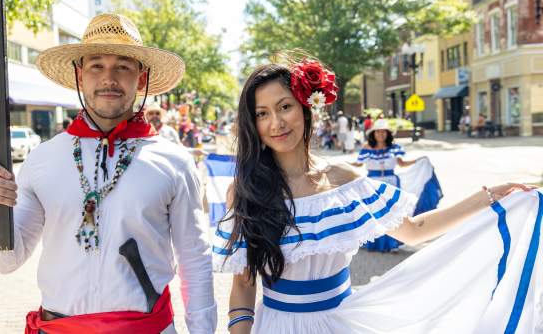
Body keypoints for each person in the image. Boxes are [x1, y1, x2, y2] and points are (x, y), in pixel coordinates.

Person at [211, 61, 538, 334]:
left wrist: (489, 197)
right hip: (277, 326)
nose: (276, 122)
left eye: (284, 107)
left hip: (343, 321)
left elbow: (414, 230)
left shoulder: (345, 180)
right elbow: (243, 285)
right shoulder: (245, 192)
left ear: (306, 108)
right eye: (262, 113)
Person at [0, 14, 216, 333]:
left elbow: (195, 257)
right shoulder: (43, 159)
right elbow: (7, 261)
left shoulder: (173, 161)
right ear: (79, 75)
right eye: (96, 65)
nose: (109, 78)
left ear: (141, 78)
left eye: (123, 65)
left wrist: (202, 329)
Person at [350, 119, 441, 252]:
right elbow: (358, 164)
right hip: (372, 184)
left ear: (387, 134)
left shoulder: (394, 147)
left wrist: (419, 160)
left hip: (391, 183)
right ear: (373, 133)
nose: (381, 134)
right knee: (375, 213)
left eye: (383, 132)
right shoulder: (366, 147)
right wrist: (342, 165)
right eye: (378, 132)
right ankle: (376, 243)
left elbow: (402, 163)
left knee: (392, 213)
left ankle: (392, 243)